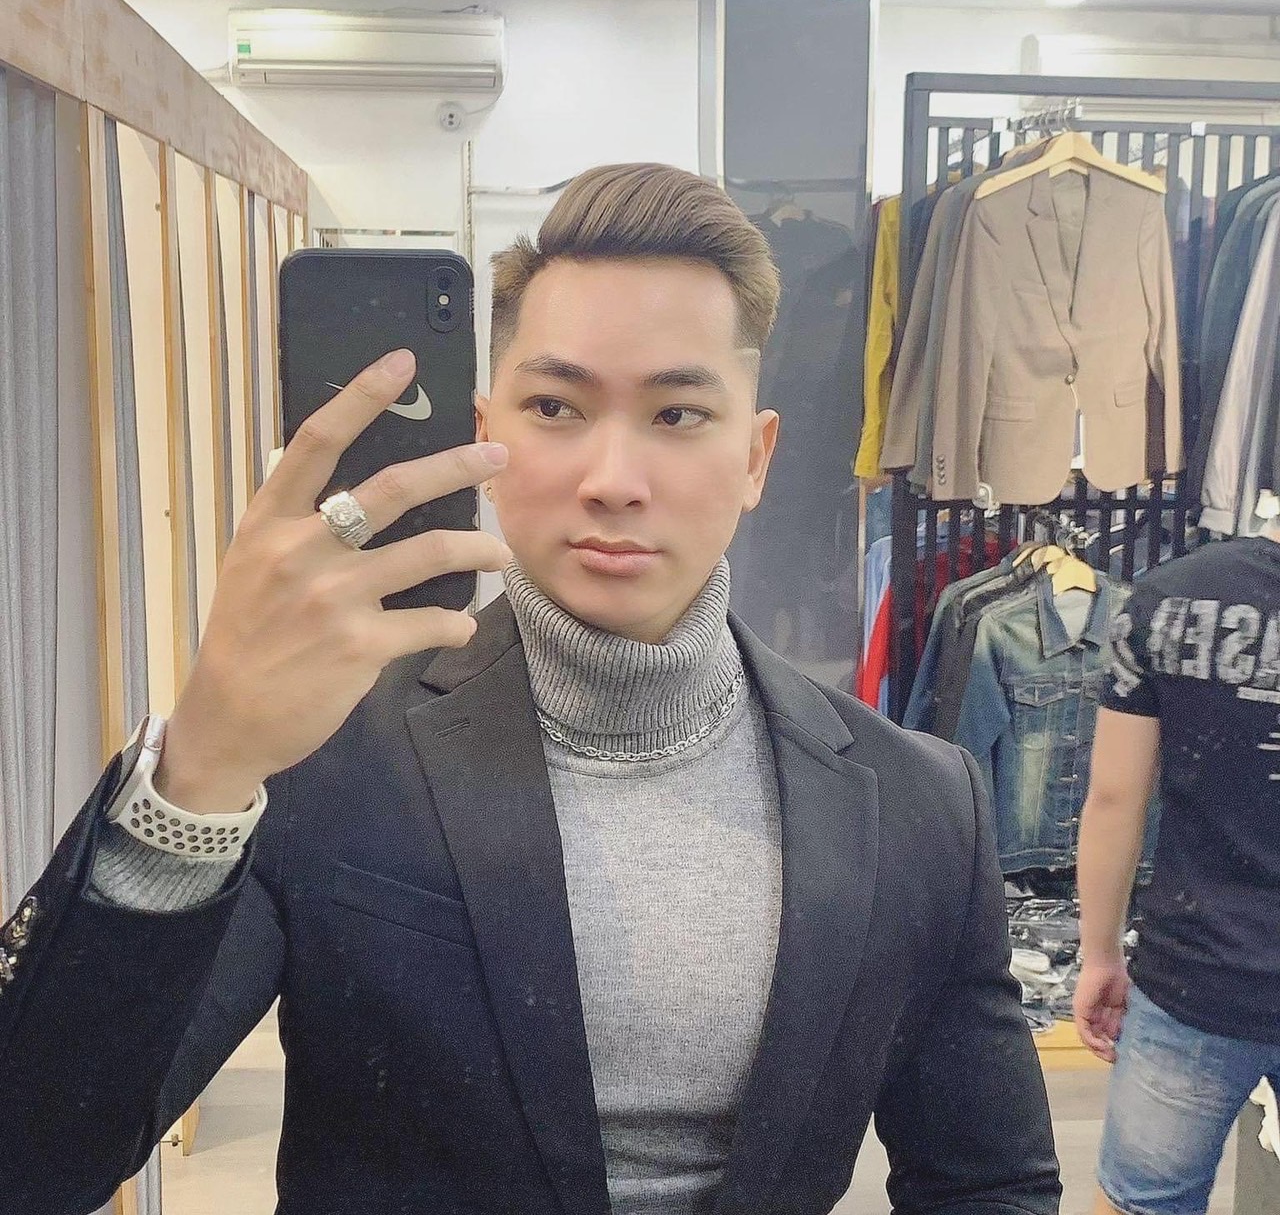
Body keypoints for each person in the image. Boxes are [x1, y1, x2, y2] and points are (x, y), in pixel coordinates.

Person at [0, 163, 1060, 1215]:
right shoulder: (324, 750)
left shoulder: (919, 804)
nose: (612, 478)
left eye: (678, 414)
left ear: (755, 455)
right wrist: (199, 770)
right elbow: (37, 1158)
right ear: (485, 436)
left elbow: (989, 1183)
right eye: (555, 406)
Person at [1075, 528, 1280, 1215]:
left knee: (1144, 1204)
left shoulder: (1166, 598)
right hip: (1193, 975)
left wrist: (1099, 956)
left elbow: (1114, 799)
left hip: (1196, 973)